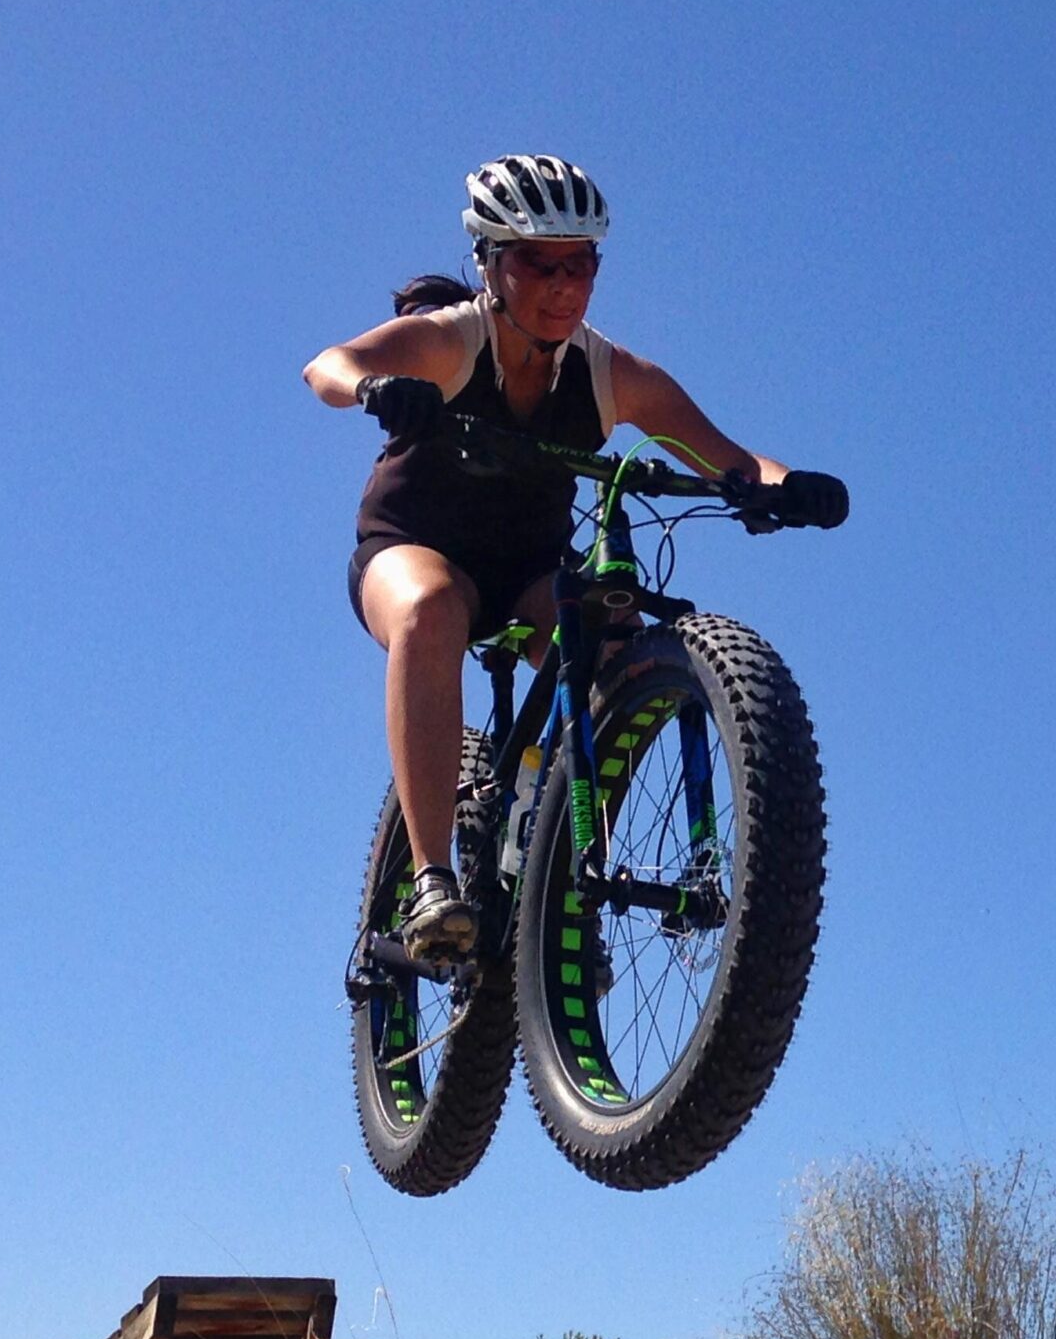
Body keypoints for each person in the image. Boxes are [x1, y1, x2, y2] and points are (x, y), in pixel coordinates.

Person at [303, 155, 801, 963]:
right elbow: (330, 364)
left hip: (528, 570)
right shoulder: (450, 340)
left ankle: (560, 876)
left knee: (616, 636)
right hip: (412, 549)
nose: (565, 285)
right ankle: (433, 877)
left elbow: (729, 457)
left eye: (582, 264)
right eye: (540, 262)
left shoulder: (608, 375)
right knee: (431, 610)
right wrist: (372, 390)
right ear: (491, 263)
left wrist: (791, 488)